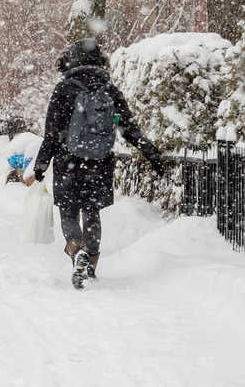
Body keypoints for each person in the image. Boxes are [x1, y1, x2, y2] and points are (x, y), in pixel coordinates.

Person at [24, 38, 165, 289]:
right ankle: (90, 261)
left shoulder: (65, 89)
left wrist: (41, 165)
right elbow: (128, 128)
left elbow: (52, 134)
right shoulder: (108, 89)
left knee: (68, 210)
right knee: (92, 211)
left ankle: (76, 249)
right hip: (100, 162)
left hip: (68, 161)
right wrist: (152, 154)